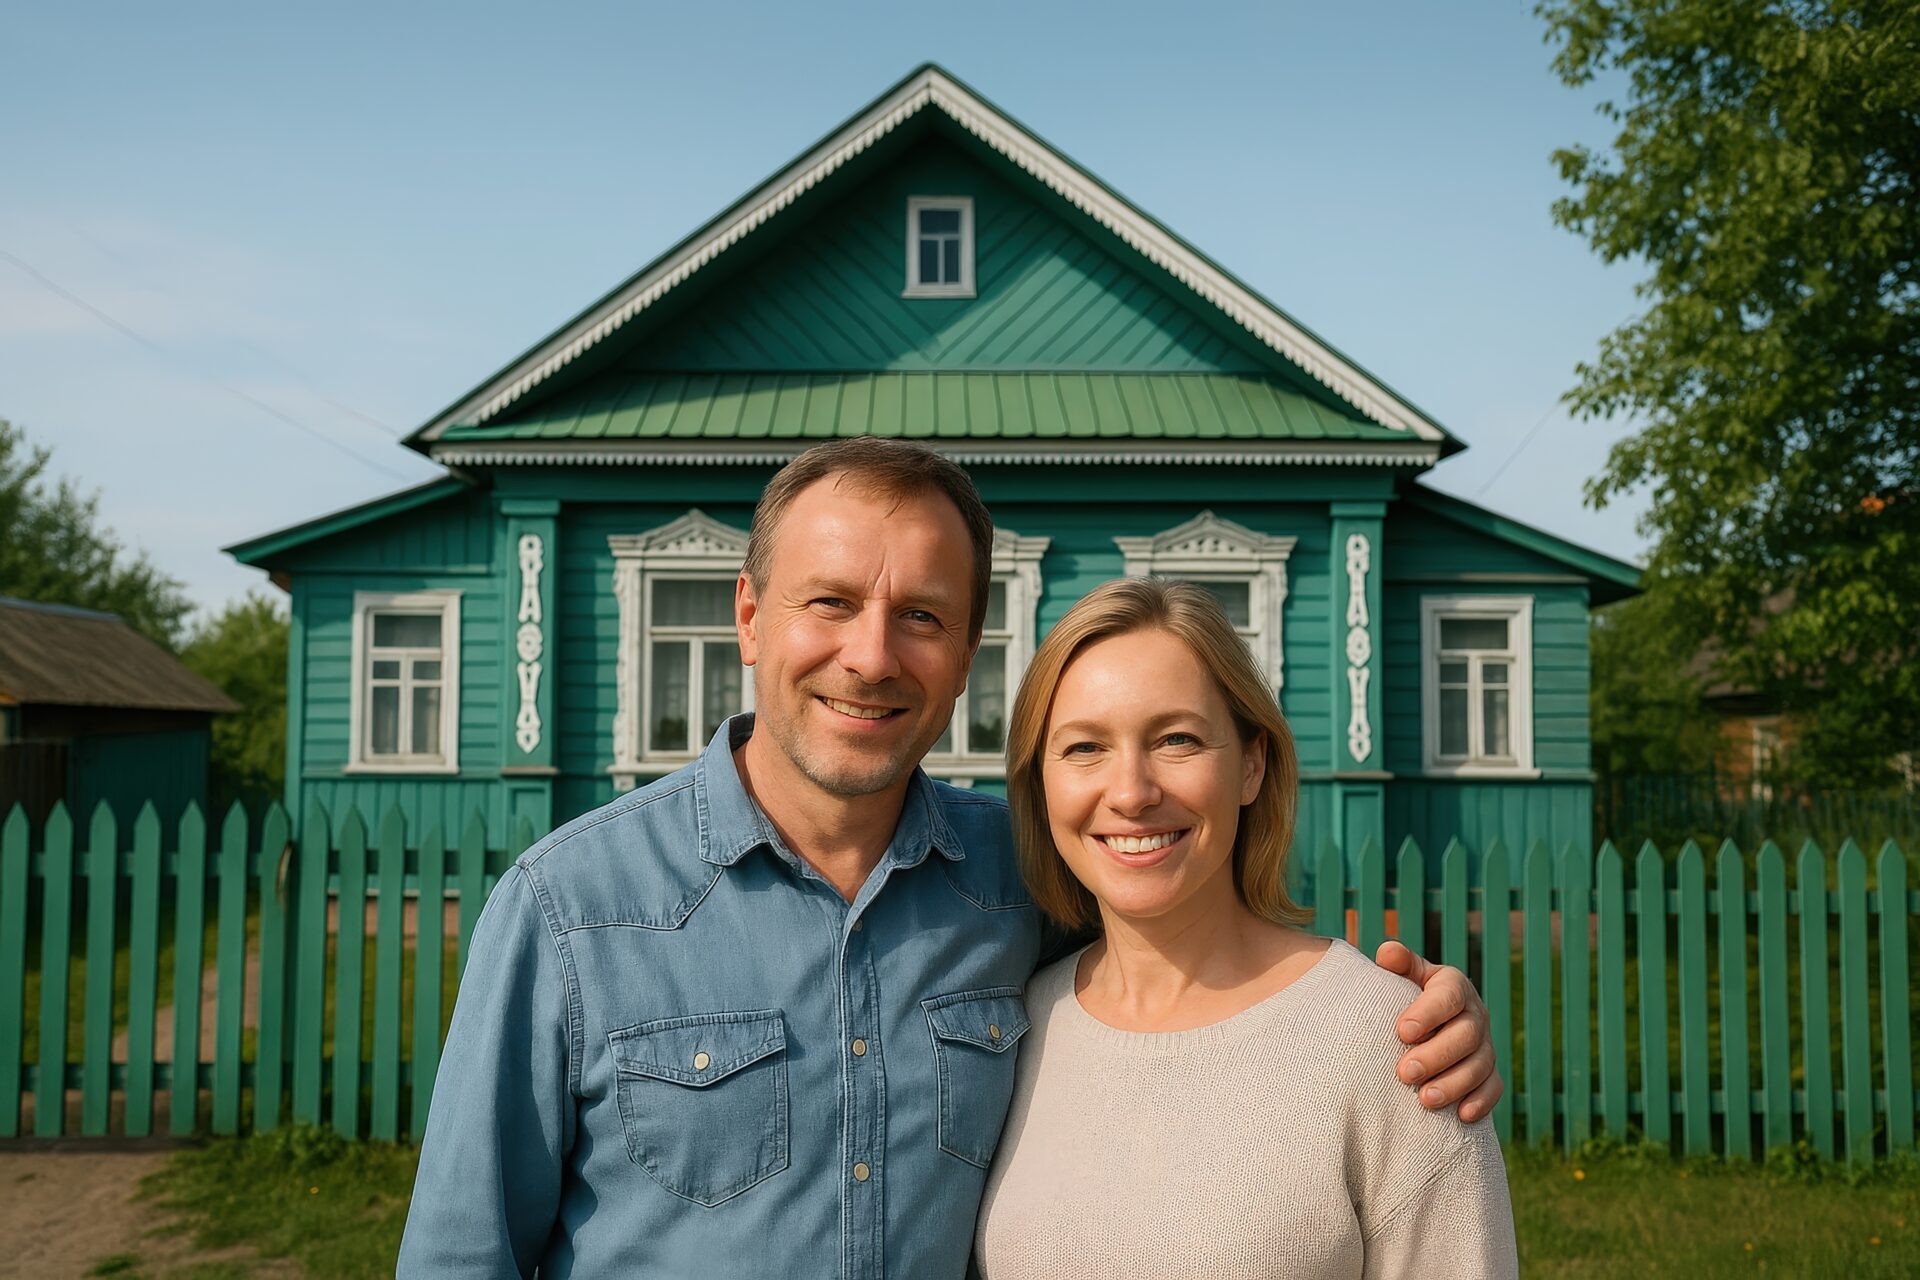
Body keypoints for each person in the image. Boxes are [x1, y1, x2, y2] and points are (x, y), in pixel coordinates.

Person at [398, 439, 1502, 1279]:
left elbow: (1199, 988)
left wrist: (1412, 1020)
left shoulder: (1021, 881)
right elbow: (460, 1254)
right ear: (747, 614)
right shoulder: (569, 909)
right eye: (830, 601)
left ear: (966, 651)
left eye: (920, 615)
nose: (870, 655)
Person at [975, 578, 1517, 1278]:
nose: (1133, 791)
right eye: (1085, 748)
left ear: (1252, 764)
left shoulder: (1391, 1042)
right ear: (1039, 782)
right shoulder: (1009, 1031)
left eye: (1177, 739)